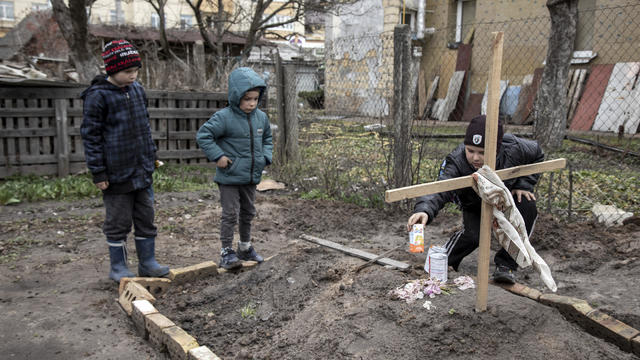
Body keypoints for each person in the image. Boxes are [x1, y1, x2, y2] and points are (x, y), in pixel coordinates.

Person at [406, 115, 543, 284]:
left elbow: (537, 154)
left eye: (482, 152)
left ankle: (506, 265)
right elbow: (441, 188)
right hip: (474, 201)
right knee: (473, 235)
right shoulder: (456, 161)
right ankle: (446, 260)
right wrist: (424, 210)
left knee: (527, 208)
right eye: (470, 151)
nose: (475, 158)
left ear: (497, 148)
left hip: (505, 197)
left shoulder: (515, 147)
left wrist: (524, 183)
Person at [80, 39, 169, 282]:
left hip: (142, 171)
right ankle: (118, 267)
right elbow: (91, 136)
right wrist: (98, 172)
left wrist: (152, 156)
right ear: (112, 69)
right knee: (118, 221)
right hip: (116, 174)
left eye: (135, 71)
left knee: (146, 218)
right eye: (127, 72)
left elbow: (145, 127)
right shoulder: (97, 96)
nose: (133, 76)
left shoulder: (137, 90)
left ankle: (148, 263)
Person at [196, 67, 273, 270]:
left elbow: (267, 138)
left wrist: (265, 156)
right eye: (247, 98)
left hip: (250, 176)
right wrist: (218, 156)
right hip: (229, 177)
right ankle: (226, 252)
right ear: (236, 96)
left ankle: (245, 247)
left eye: (255, 99)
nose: (251, 103)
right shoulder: (224, 117)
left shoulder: (261, 118)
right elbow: (203, 136)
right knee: (230, 214)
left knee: (248, 212)